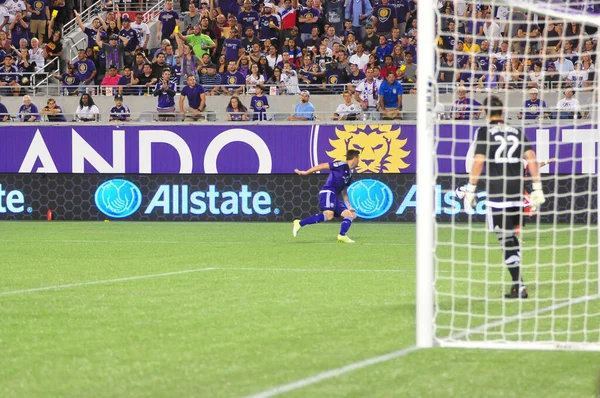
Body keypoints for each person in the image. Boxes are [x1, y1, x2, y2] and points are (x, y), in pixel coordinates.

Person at [464, 96, 545, 299]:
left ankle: (519, 285)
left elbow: (479, 160)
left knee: (504, 237)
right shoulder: (517, 131)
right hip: (517, 190)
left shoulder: (484, 131)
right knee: (510, 236)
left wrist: (471, 189)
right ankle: (518, 285)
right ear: (502, 111)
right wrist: (537, 188)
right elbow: (532, 159)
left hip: (497, 190)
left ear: (484, 111)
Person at [292, 149, 361, 243]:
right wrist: (306, 172)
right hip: (328, 192)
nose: (359, 161)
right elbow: (322, 166)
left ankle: (342, 236)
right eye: (359, 158)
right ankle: (299, 223)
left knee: (349, 215)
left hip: (334, 196)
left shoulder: (349, 174)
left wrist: (349, 206)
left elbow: (344, 191)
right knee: (329, 215)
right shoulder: (341, 165)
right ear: (355, 158)